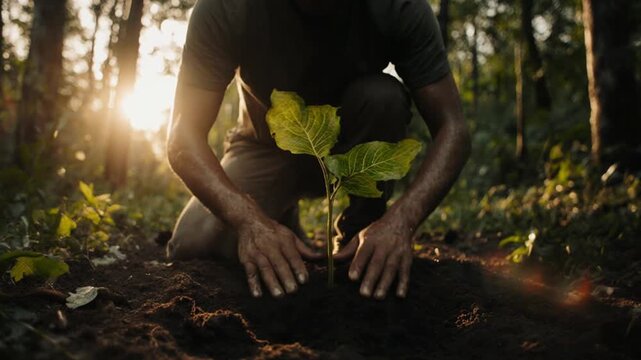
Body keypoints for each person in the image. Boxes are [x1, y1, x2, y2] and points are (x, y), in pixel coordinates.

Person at [166, 0, 471, 300]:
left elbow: (453, 128)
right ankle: (280, 219)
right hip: (265, 148)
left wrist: (401, 222)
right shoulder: (228, 8)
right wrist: (248, 220)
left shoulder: (398, 8)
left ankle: (362, 233)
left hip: (352, 148)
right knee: (195, 244)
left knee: (383, 98)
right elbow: (183, 135)